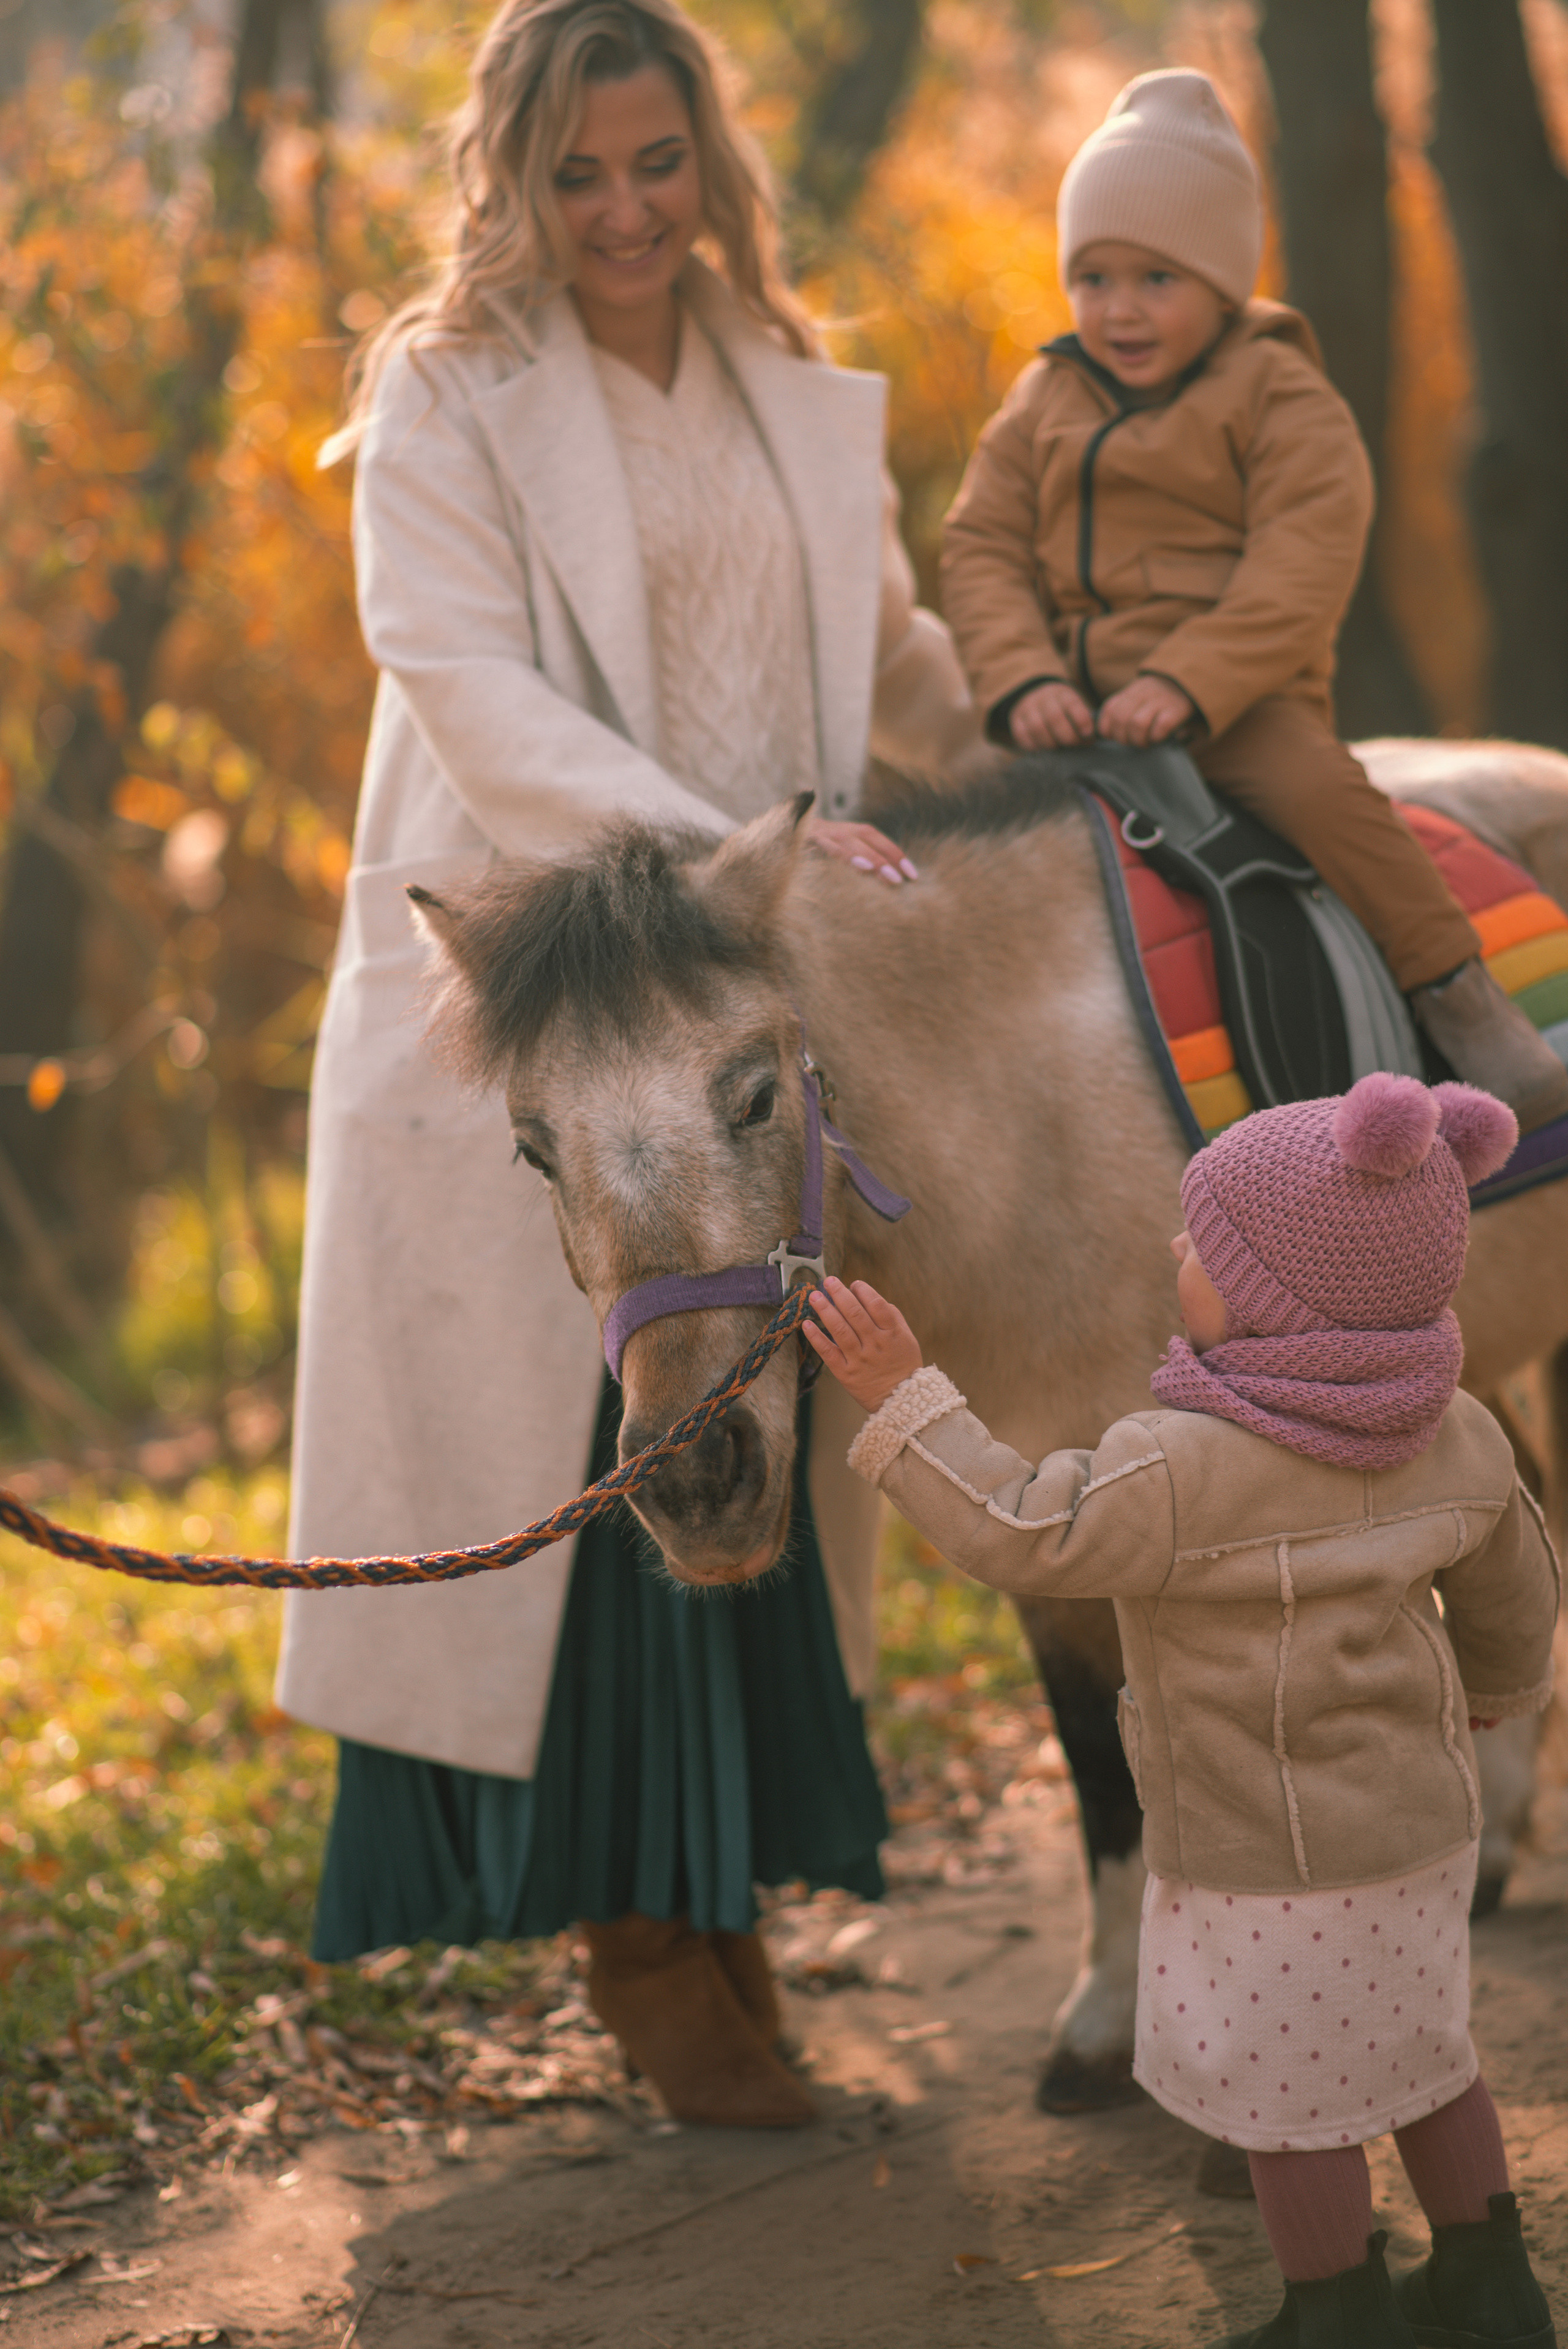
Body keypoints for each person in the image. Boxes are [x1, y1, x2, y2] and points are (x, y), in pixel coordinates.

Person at [275, 0, 982, 2130]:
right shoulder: (446, 389)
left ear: (712, 158)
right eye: (577, 171)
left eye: (657, 161)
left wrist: (1035, 748)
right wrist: (714, 853)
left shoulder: (784, 378)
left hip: (764, 1010)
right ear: (513, 174)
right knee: (586, 1461)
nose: (622, 209)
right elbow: (463, 683)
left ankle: (732, 1891)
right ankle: (638, 1940)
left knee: (749, 1420)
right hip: (545, 1002)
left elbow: (889, 664)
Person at [804, 1071, 1559, 2348]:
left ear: (1276, 1294)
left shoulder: (1178, 1469)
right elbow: (1517, 1596)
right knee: (1429, 2060)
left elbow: (1019, 1529)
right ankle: (1492, 2293)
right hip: (1417, 1832)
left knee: (1284, 2110)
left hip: (1262, 1858)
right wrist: (1491, 1698)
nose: (1171, 1249)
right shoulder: (1459, 1434)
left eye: (1204, 1245)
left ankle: (1336, 2316)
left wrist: (905, 1397)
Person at [940, 67, 1568, 1137]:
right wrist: (1024, 676)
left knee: (1329, 798)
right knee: (953, 846)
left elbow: (1305, 555)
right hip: (1071, 713)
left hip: (1240, 705)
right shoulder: (1043, 397)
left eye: (1155, 278)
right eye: (1092, 278)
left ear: (1223, 283)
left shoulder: (1277, 393)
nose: (1118, 308)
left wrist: (1191, 679)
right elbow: (981, 542)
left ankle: (1460, 994)